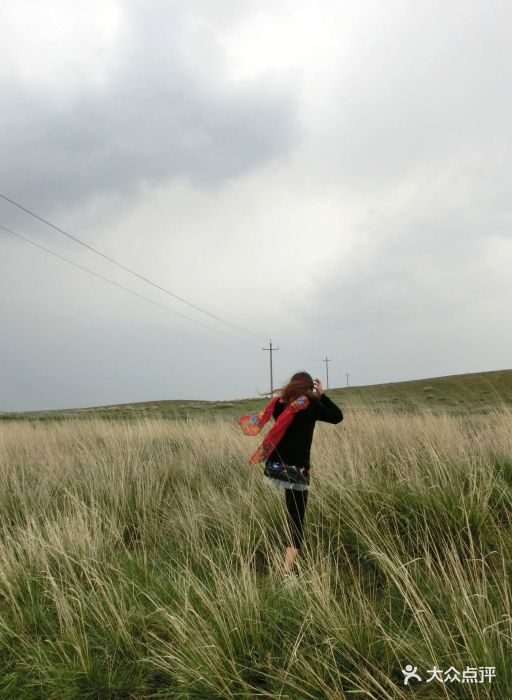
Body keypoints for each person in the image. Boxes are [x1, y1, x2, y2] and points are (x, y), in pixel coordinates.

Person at [238, 371, 343, 578]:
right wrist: (322, 395)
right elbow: (337, 416)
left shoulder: (278, 405)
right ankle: (287, 572)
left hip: (277, 468)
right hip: (298, 471)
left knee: (291, 513)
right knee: (297, 518)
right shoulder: (312, 406)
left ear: (292, 385)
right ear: (309, 388)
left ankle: (286, 559)